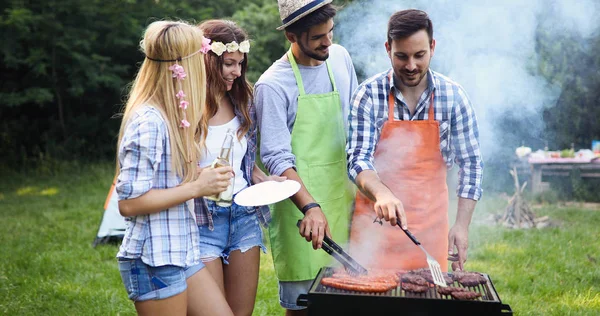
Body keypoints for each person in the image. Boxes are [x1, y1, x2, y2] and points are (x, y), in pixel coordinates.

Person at [347, 9, 483, 273]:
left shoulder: (453, 97)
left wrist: (461, 226)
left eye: (419, 55)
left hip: (430, 235)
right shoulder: (367, 95)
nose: (411, 66)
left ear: (432, 47)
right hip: (374, 234)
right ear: (388, 49)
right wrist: (383, 193)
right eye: (402, 56)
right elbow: (357, 160)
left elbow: (472, 164)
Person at [115, 20, 234, 316]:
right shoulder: (149, 122)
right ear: (182, 65)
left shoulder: (173, 115)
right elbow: (129, 204)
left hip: (181, 250)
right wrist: (198, 187)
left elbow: (168, 181)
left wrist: (203, 175)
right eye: (200, 58)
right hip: (154, 257)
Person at [254, 1, 358, 314]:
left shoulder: (339, 58)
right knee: (305, 306)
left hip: (344, 200)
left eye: (330, 33)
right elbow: (276, 157)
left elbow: (354, 125)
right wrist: (311, 207)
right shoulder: (272, 85)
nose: (328, 42)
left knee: (350, 300)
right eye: (317, 38)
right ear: (291, 36)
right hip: (301, 214)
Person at [194, 19, 285, 316]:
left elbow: (244, 164)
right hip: (201, 219)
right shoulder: (187, 106)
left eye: (240, 64)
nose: (236, 72)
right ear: (208, 61)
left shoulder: (244, 99)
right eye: (229, 64)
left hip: (243, 217)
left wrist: (265, 180)